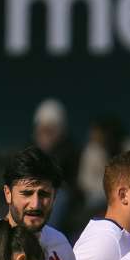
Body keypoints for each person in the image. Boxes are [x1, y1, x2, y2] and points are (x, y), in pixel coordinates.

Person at [32, 98, 80, 231]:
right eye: (43, 129)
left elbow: (69, 180)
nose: (46, 134)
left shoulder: (69, 150)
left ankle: (44, 237)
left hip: (61, 193)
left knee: (58, 197)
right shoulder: (30, 149)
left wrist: (49, 150)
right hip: (36, 187)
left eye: (50, 130)